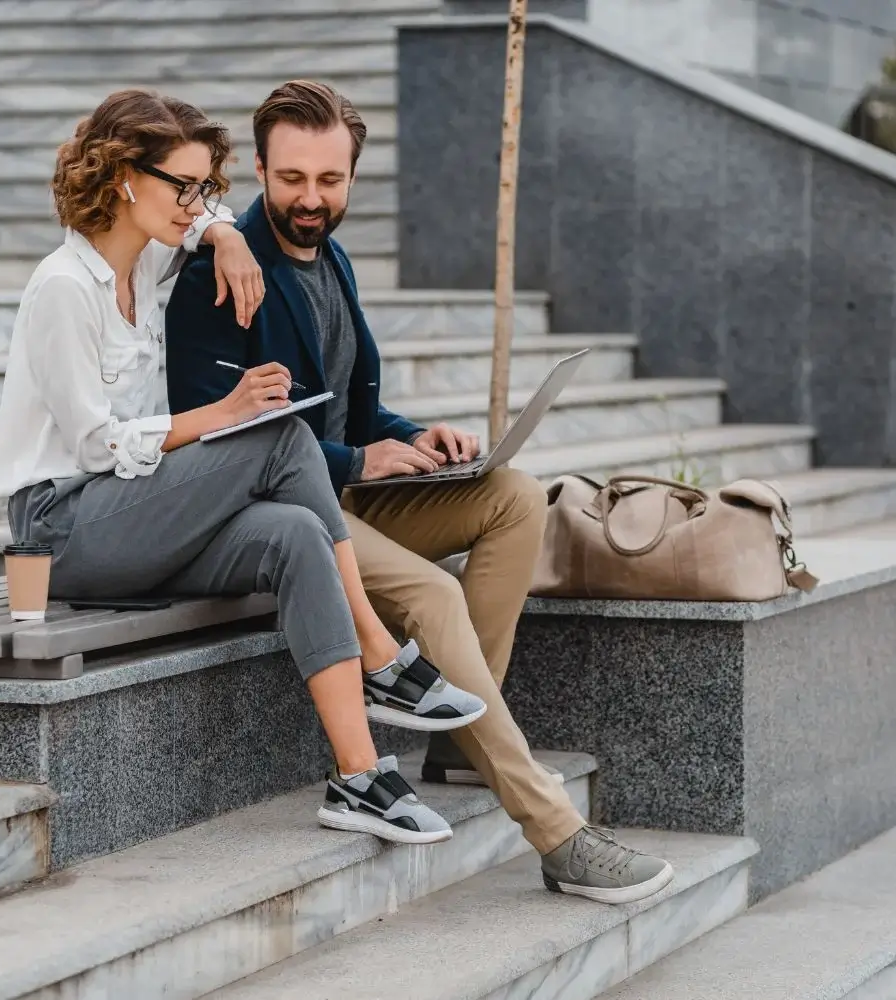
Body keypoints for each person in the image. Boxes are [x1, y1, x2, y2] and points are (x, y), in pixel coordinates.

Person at [164, 79, 675, 904]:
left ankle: (456, 742)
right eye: (292, 179)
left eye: (330, 181)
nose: (310, 199)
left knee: (513, 494)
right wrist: (358, 464)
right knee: (435, 595)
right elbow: (216, 435)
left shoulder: (332, 258)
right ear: (259, 167)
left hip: (346, 488)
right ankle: (556, 832)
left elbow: (349, 407)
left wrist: (412, 436)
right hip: (277, 513)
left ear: (353, 176)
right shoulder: (218, 272)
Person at [0, 88, 489, 847]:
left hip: (132, 515)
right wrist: (222, 415)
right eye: (183, 187)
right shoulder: (63, 288)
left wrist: (226, 237)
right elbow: (94, 446)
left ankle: (359, 777)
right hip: (60, 531)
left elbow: (211, 221)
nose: (197, 203)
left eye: (203, 186)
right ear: (124, 179)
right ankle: (380, 651)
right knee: (277, 433)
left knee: (294, 535)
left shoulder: (153, 261)